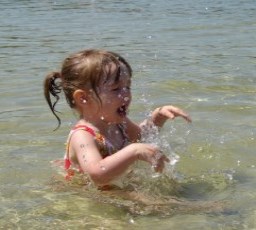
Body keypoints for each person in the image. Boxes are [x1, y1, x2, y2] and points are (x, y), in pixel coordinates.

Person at [44, 49, 191, 188]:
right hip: (90, 195)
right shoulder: (83, 136)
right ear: (83, 98)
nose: (126, 94)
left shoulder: (118, 123)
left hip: (113, 189)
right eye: (116, 89)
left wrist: (157, 117)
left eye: (128, 87)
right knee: (164, 206)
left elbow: (141, 137)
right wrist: (134, 152)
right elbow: (97, 174)